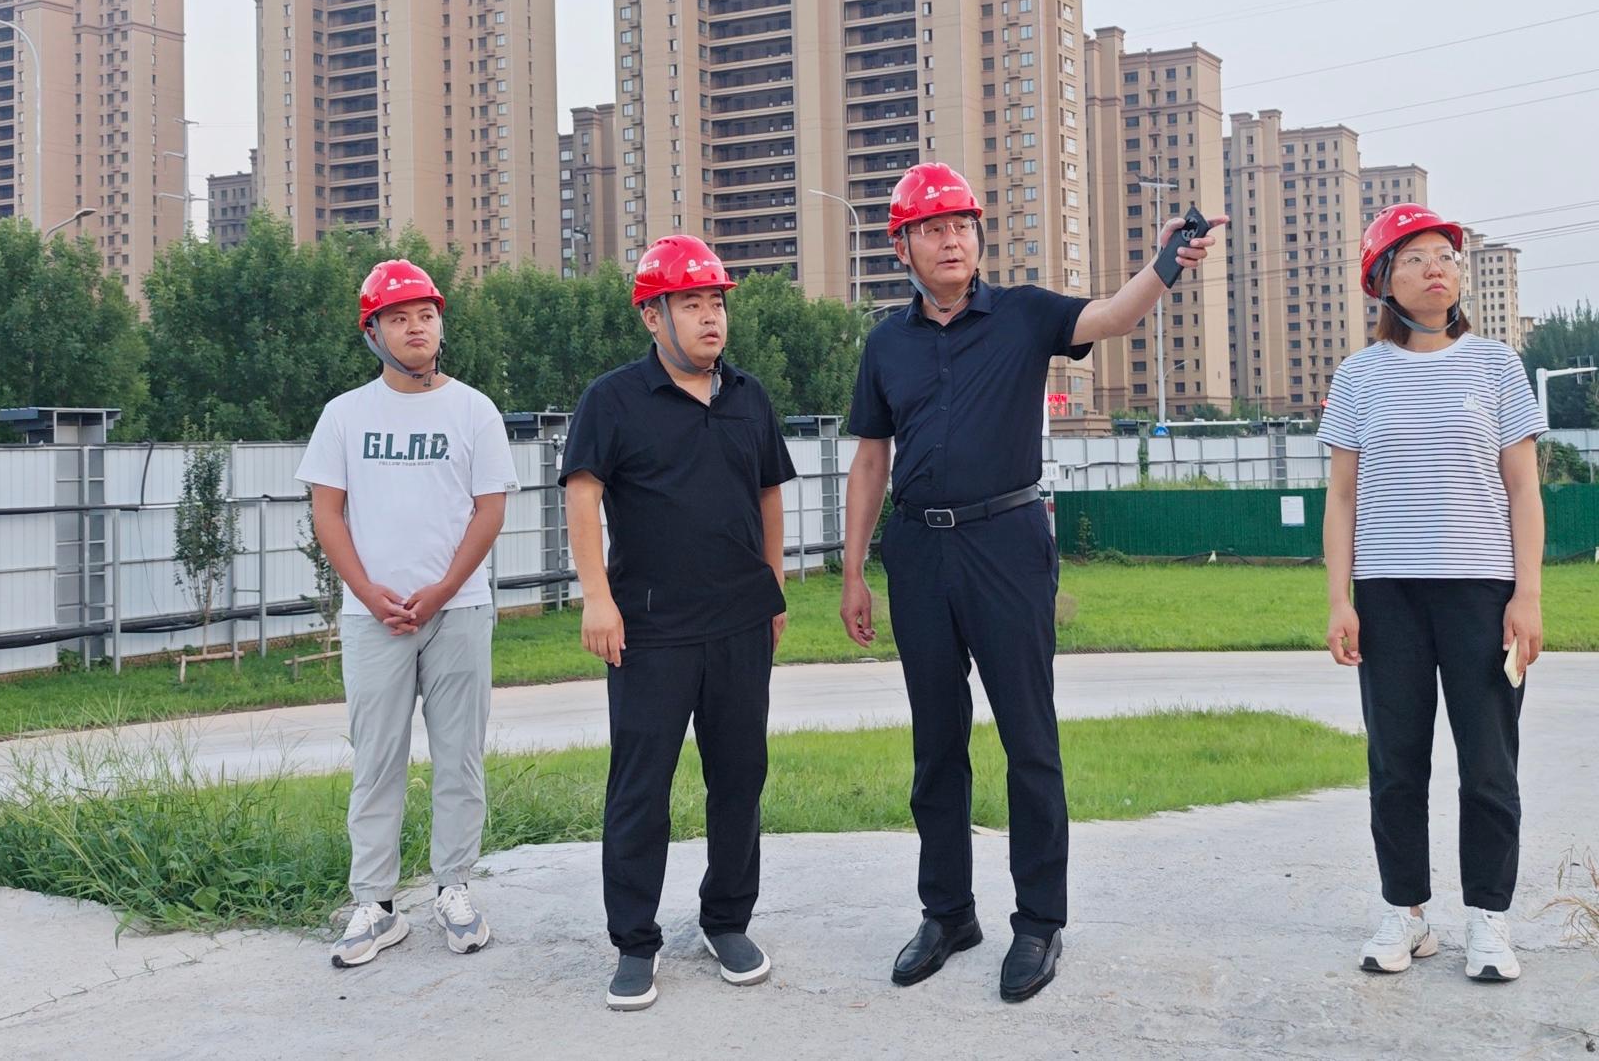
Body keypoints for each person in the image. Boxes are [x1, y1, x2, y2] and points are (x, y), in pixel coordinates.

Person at [839, 162, 1221, 1003]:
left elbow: (1112, 315)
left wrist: (1165, 262)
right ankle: (947, 913)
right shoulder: (887, 344)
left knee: (1028, 738)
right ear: (901, 246)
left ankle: (1040, 920)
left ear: (978, 237)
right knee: (936, 744)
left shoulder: (1022, 313)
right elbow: (870, 460)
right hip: (918, 550)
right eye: (932, 228)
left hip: (1006, 543)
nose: (951, 240)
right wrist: (854, 570)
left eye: (962, 225)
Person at [559, 234, 798, 1012]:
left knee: (739, 778)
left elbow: (768, 493)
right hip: (649, 629)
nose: (710, 317)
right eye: (691, 304)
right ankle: (635, 941)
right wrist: (597, 597)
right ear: (652, 316)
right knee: (640, 788)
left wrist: (773, 586)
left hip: (739, 623)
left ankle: (727, 920)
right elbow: (583, 494)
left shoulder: (749, 397)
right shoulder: (613, 399)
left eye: (716, 302)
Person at [1319, 204, 1545, 982]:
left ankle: (1489, 919)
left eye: (1445, 254)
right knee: (1395, 764)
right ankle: (1405, 913)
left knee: (1488, 765)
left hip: (1482, 593)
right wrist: (1340, 600)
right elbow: (1341, 497)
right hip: (1388, 595)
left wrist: (1527, 595)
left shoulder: (1497, 366)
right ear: (1383, 280)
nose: (1435, 267)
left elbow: (1524, 489)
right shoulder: (1359, 376)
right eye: (1414, 256)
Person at [296, 258, 517, 969]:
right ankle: (376, 904)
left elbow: (489, 511)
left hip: (459, 611)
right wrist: (367, 592)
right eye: (398, 317)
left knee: (459, 756)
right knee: (377, 759)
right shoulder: (345, 415)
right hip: (375, 618)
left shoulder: (473, 410)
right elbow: (327, 513)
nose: (416, 327)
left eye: (426, 315)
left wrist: (445, 588)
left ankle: (454, 887)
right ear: (373, 332)